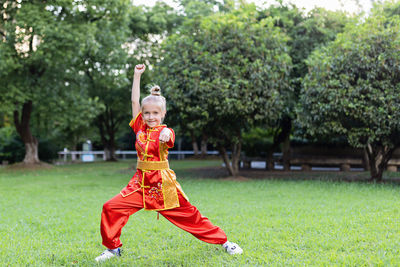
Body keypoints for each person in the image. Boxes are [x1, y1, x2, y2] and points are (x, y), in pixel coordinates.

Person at [95, 64, 243, 262]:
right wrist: (137, 75)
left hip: (162, 187)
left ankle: (225, 242)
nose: (150, 117)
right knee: (110, 207)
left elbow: (169, 136)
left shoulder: (166, 131)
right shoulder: (139, 127)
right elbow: (133, 101)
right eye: (146, 113)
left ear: (162, 114)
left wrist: (166, 133)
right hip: (139, 184)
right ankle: (113, 249)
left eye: (155, 113)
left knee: (191, 217)